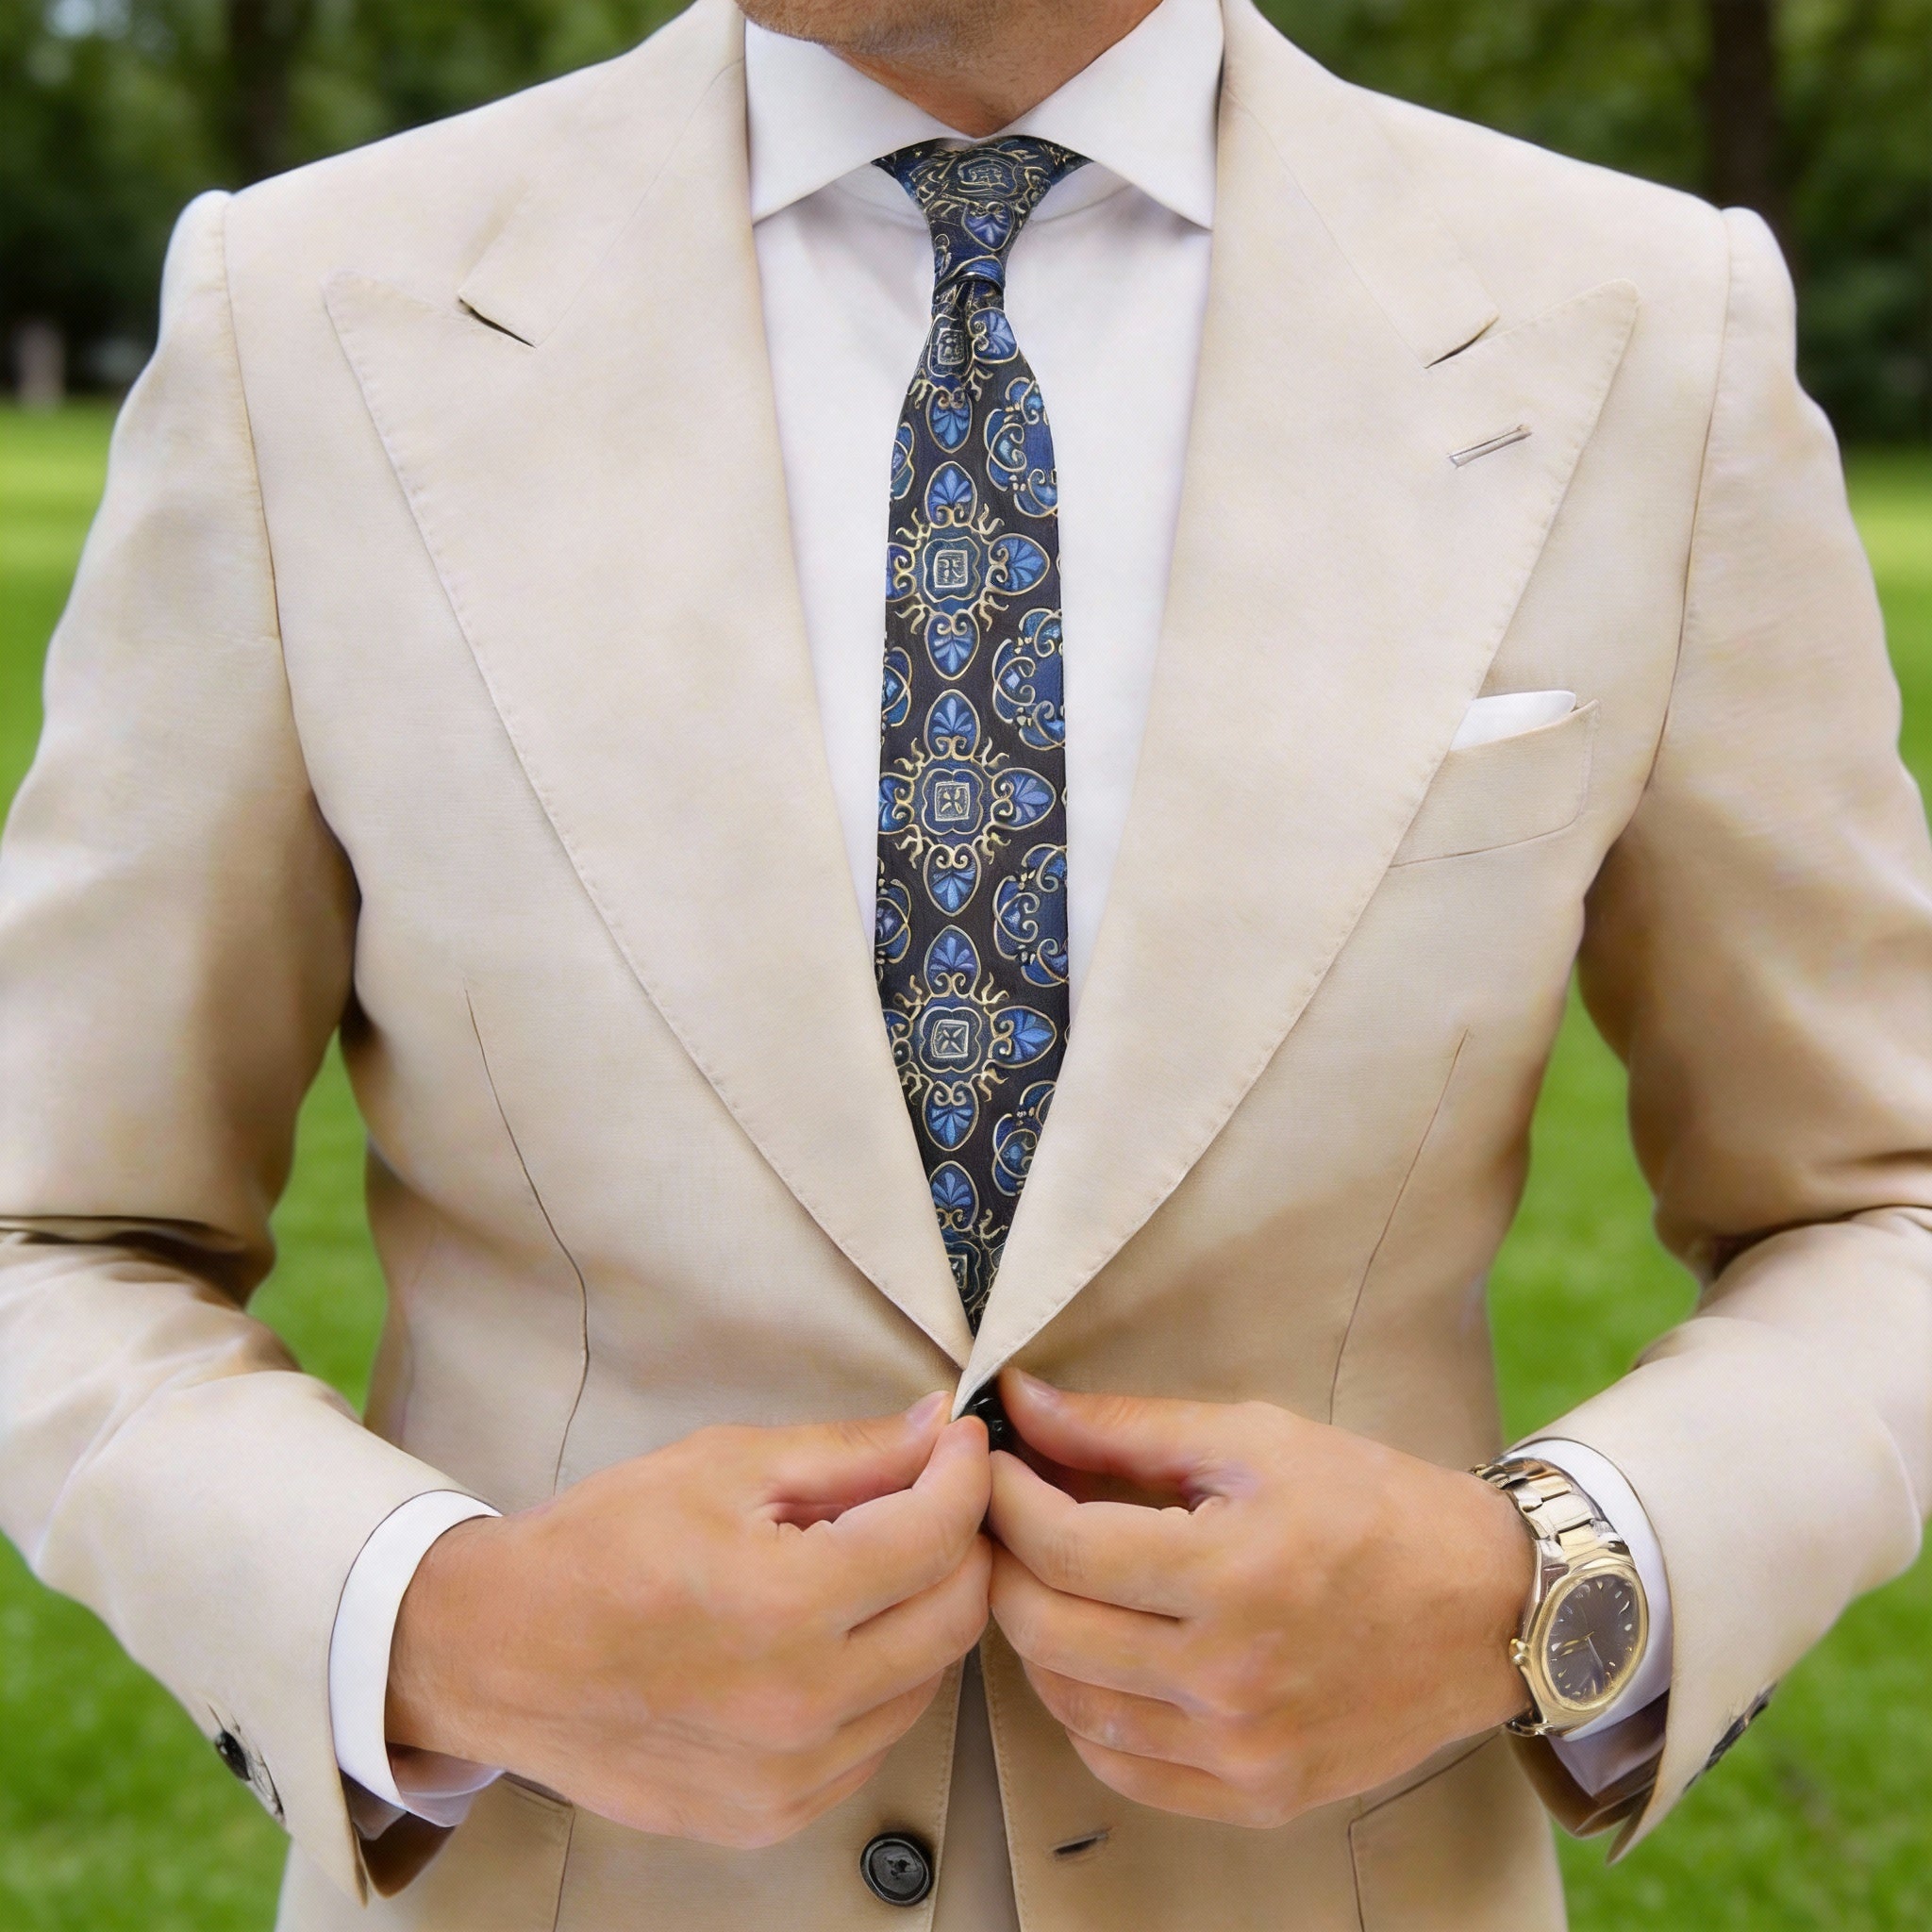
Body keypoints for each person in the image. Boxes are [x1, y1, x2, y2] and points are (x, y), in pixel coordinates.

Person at [2, 0, 1928, 1924]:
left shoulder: (1642, 325)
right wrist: (440, 1626)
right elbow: (54, 1231)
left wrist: (1543, 1589)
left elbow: (1880, 1203)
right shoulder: (306, 311)